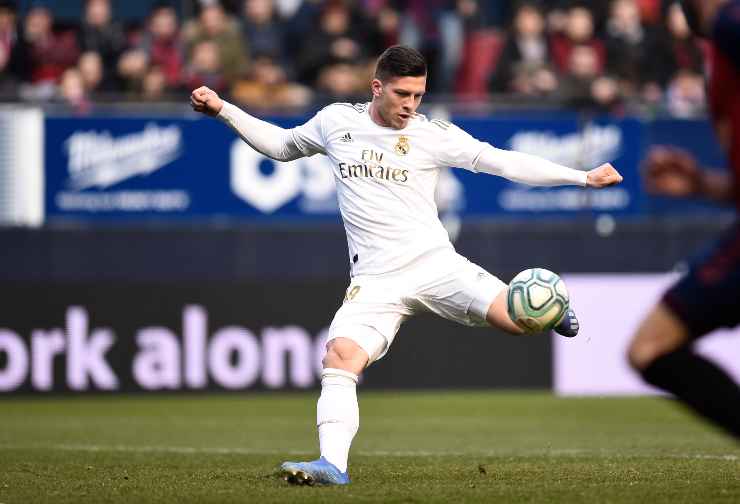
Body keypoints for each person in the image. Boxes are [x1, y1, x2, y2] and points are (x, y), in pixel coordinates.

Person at [190, 45, 623, 485]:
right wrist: (224, 109)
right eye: (402, 94)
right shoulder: (336, 122)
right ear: (377, 87)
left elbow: (503, 162)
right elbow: (282, 145)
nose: (410, 105)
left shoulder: (431, 135)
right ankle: (332, 465)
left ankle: (552, 308)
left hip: (436, 265)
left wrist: (582, 177)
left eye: (418, 96)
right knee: (340, 358)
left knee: (517, 318)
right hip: (375, 281)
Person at [627, 0, 740, 439]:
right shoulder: (719, 46)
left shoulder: (731, 24)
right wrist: (702, 185)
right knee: (650, 348)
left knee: (652, 347)